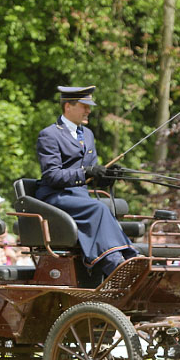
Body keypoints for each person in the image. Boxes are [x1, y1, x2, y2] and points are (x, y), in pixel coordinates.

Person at [35, 85, 137, 278]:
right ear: (68, 107)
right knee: (98, 208)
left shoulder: (87, 135)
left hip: (79, 197)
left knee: (104, 206)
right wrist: (85, 172)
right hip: (55, 197)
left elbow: (91, 176)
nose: (89, 110)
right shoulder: (50, 135)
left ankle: (126, 257)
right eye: (84, 106)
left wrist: (106, 176)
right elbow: (52, 175)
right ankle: (115, 264)